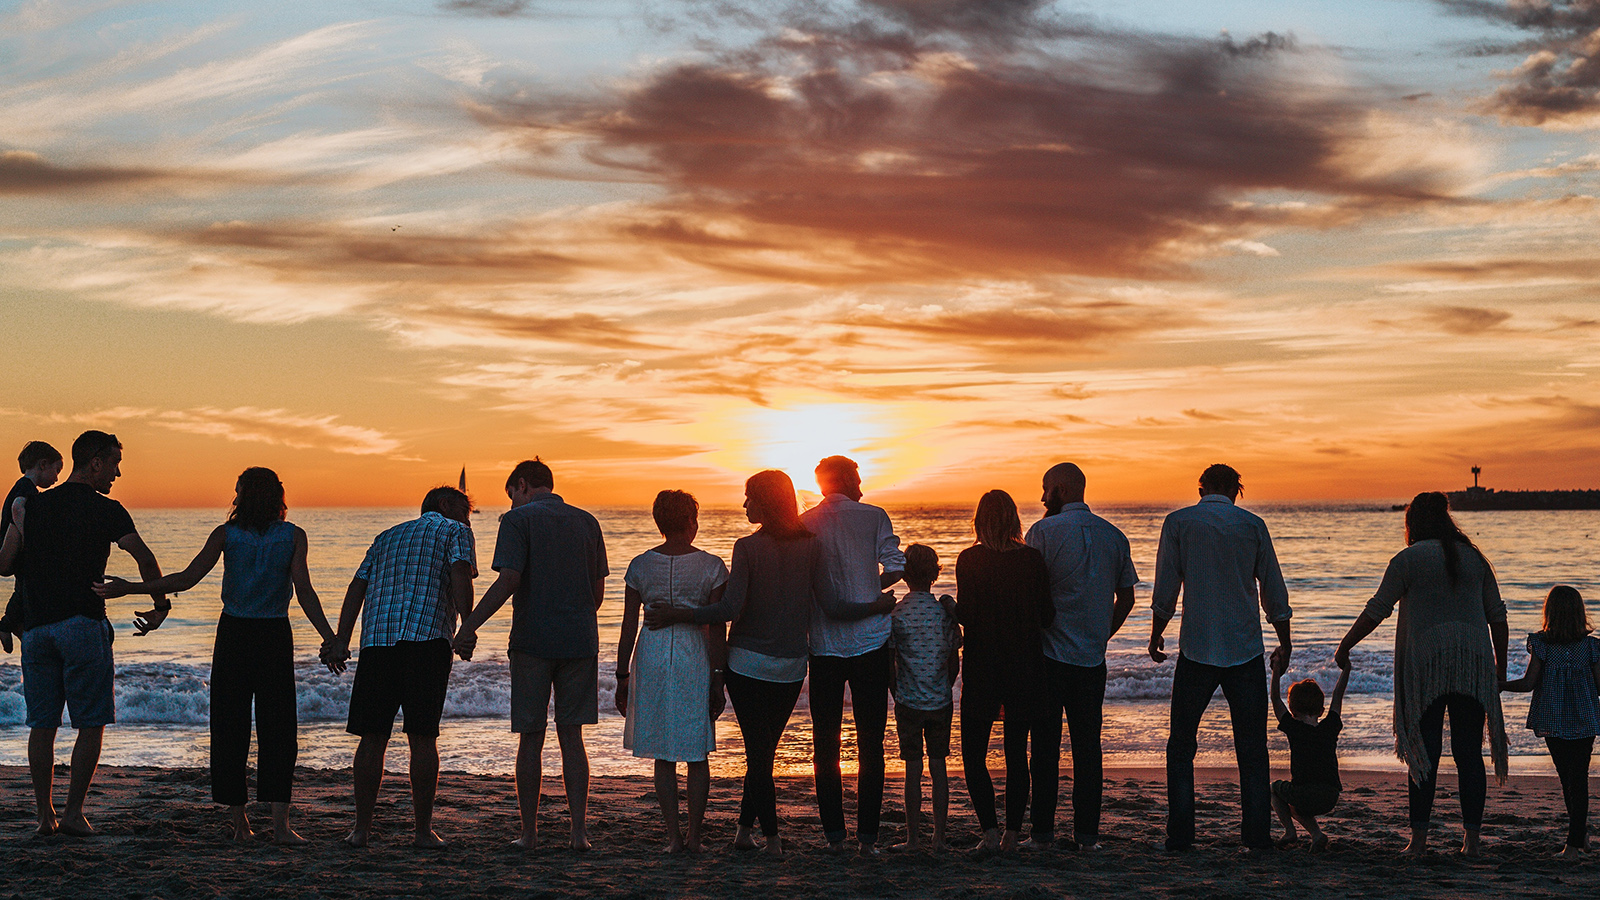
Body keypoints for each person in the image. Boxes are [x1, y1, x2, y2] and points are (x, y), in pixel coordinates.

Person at [646, 470, 889, 856]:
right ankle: (744, 831)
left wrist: (677, 613)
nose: (744, 505)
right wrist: (876, 605)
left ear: (766, 502)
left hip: (746, 664)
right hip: (791, 667)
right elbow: (833, 606)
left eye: (749, 498)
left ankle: (773, 841)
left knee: (758, 757)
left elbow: (727, 609)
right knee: (763, 753)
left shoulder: (746, 547)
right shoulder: (811, 545)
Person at [95, 467, 339, 844]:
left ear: (246, 495)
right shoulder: (288, 535)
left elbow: (187, 579)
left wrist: (133, 588)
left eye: (238, 490)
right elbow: (303, 591)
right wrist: (331, 638)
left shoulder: (231, 534)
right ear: (277, 496)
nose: (235, 496)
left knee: (232, 728)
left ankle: (243, 824)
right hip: (271, 635)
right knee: (276, 730)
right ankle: (277, 827)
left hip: (239, 635)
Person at [0, 430, 169, 837]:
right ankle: (73, 812)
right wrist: (160, 605)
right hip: (82, 625)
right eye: (113, 464)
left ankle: (45, 817)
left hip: (38, 630)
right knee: (90, 723)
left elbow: (4, 566)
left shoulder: (32, 506)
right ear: (94, 462)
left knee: (43, 726)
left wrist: (19, 525)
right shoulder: (107, 510)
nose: (117, 473)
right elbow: (143, 556)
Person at [1335, 491, 1508, 857]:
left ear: (1412, 523)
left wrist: (1346, 644)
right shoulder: (1476, 560)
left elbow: (1376, 609)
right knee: (1468, 755)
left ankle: (1418, 841)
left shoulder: (1408, 560)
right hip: (1472, 665)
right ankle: (1472, 842)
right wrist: (1499, 669)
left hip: (1424, 667)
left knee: (1423, 752)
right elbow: (1498, 616)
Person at [453, 459, 608, 851]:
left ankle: (529, 833)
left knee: (531, 738)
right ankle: (578, 834)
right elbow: (598, 596)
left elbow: (509, 580)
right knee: (572, 737)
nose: (512, 504)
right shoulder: (587, 522)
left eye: (512, 496)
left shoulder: (516, 521)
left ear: (522, 485)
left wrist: (469, 625)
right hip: (579, 640)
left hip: (533, 640)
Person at [1149, 463, 1291, 852]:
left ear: (1201, 488)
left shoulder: (1178, 523)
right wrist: (1285, 639)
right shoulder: (1253, 525)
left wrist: (1156, 632)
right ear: (1236, 490)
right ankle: (1257, 836)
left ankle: (1180, 836)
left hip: (1196, 648)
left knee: (1181, 745)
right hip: (1244, 648)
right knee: (1252, 747)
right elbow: (1273, 590)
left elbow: (1167, 586)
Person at [324, 486, 476, 848]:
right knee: (422, 737)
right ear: (445, 504)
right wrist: (467, 625)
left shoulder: (386, 536)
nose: (468, 518)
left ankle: (360, 830)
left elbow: (357, 587)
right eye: (465, 510)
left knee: (372, 737)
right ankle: (422, 832)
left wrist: (341, 640)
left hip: (378, 643)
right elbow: (459, 573)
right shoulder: (455, 531)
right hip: (427, 642)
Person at [1024, 462, 1137, 849]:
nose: (1042, 498)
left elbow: (1030, 595)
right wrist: (1102, 634)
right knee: (1089, 749)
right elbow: (1128, 598)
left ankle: (1042, 835)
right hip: (1092, 658)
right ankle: (1087, 836)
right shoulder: (1114, 536)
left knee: (1045, 749)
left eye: (1045, 489)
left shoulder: (1041, 532)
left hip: (1050, 656)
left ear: (1061, 489)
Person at [801, 455, 906, 856]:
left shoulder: (806, 522)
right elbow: (896, 566)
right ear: (846, 478)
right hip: (870, 643)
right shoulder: (875, 516)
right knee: (871, 742)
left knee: (824, 742)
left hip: (824, 645)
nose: (862, 482)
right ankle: (867, 839)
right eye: (858, 475)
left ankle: (833, 837)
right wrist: (870, 586)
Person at [613, 490, 728, 853]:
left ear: (659, 523)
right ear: (691, 522)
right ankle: (694, 837)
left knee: (664, 753)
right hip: (695, 656)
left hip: (652, 655)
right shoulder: (712, 566)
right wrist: (718, 677)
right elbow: (719, 626)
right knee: (696, 752)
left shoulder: (640, 565)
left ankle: (673, 838)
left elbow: (629, 625)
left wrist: (621, 676)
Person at [956, 490, 1055, 853]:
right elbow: (1047, 616)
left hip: (984, 667)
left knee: (974, 754)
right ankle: (1013, 834)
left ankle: (989, 834)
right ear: (1014, 519)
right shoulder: (1031, 560)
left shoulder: (969, 559)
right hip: (1025, 666)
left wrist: (952, 607)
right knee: (1016, 754)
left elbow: (966, 613)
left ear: (980, 521)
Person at [1500, 585, 1600, 857]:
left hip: (1553, 718)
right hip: (1584, 718)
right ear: (1580, 613)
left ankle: (1574, 844)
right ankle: (1580, 837)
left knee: (1569, 778)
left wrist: (1501, 685)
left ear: (1549, 613)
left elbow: (1529, 683)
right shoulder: (1591, 647)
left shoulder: (1542, 645)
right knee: (1575, 778)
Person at [888, 544, 959, 853]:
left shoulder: (897, 613)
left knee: (913, 770)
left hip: (908, 700)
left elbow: (891, 662)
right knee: (939, 767)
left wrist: (897, 692)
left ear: (904, 575)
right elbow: (954, 660)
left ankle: (913, 839)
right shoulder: (944, 613)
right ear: (935, 573)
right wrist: (944, 684)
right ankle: (940, 838)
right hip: (940, 700)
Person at [1269, 655, 1349, 851]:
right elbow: (1338, 695)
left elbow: (1274, 698)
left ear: (1292, 710)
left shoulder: (1294, 728)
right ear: (1322, 710)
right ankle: (1317, 835)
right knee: (1296, 805)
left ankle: (1289, 831)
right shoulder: (1330, 727)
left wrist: (1276, 671)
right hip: (1330, 796)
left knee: (1274, 789)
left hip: (1305, 794)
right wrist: (1346, 669)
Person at [0, 440, 64, 652]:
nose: (57, 478)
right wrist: (30, 538)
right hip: (14, 547)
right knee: (25, 586)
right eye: (56, 470)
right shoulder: (27, 487)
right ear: (43, 464)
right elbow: (18, 509)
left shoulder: (21, 485)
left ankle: (12, 625)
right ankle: (7, 623)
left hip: (12, 545)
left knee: (23, 586)